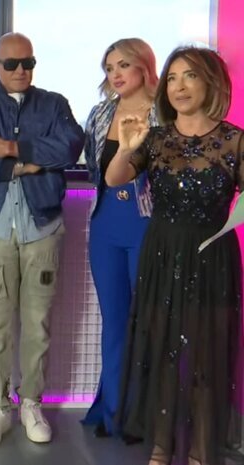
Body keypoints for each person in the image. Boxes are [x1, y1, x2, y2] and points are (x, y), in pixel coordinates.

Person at [107, 46, 244, 465]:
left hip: (212, 257)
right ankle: (161, 449)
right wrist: (125, 147)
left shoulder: (234, 140)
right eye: (172, 78)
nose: (179, 86)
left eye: (190, 76)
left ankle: (201, 452)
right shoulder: (156, 138)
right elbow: (114, 179)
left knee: (205, 358)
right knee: (162, 354)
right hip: (162, 255)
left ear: (212, 82)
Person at [0, 32, 84, 448]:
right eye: (11, 64)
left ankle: (31, 403)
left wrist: (8, 147)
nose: (21, 70)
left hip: (42, 227)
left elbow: (69, 146)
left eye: (28, 62)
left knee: (37, 324)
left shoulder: (55, 105)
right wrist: (20, 166)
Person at [82, 38, 159, 439]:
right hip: (105, 222)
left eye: (123, 65)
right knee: (113, 321)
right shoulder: (100, 113)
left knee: (145, 320)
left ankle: (140, 414)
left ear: (145, 66)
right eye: (109, 67)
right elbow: (92, 168)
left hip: (148, 223)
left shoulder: (166, 112)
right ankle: (112, 410)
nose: (115, 74)